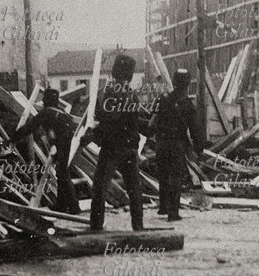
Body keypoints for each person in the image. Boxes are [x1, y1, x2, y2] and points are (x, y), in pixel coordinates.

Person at [88, 54, 144, 231]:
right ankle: (138, 226)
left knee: (100, 188)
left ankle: (96, 226)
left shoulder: (112, 92)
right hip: (130, 148)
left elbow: (109, 122)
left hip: (113, 148)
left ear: (115, 72)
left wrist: (92, 136)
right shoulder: (131, 93)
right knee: (134, 189)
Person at [11, 87, 80, 214]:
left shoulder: (46, 112)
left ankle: (75, 208)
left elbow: (29, 127)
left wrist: (13, 138)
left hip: (63, 144)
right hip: (71, 143)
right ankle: (61, 206)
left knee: (63, 174)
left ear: (45, 100)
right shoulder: (61, 111)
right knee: (62, 174)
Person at [150, 68, 205, 221]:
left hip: (161, 143)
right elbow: (195, 129)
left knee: (163, 174)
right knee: (175, 176)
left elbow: (151, 124)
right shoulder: (187, 104)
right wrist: (199, 148)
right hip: (177, 144)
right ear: (187, 84)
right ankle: (173, 212)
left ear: (173, 82)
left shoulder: (161, 99)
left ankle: (163, 207)